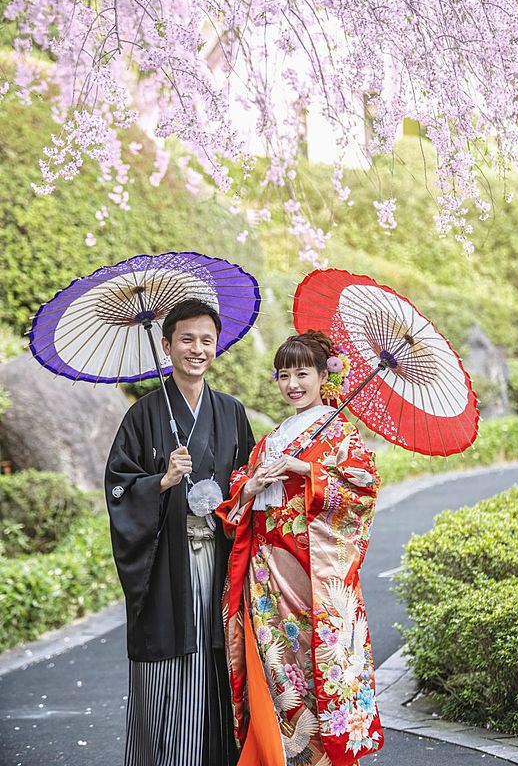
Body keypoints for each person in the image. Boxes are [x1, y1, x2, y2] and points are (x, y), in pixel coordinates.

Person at [216, 330, 384, 766]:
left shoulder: (340, 432)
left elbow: (363, 489)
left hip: (311, 575)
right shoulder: (274, 436)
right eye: (284, 375)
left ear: (323, 377)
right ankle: (281, 756)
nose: (292, 384)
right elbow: (240, 496)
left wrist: (306, 469)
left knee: (317, 665)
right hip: (264, 576)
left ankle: (323, 759)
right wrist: (251, 485)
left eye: (302, 374)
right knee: (277, 670)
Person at [105, 298, 255, 766]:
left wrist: (251, 488)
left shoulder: (231, 411)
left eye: (207, 340)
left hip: (219, 560)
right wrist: (162, 481)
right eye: (186, 339)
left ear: (217, 347)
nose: (197, 349)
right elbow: (118, 488)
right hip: (167, 563)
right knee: (169, 672)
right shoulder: (143, 415)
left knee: (219, 662)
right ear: (167, 345)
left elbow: (245, 482)